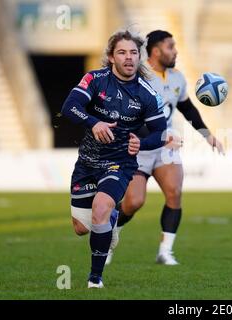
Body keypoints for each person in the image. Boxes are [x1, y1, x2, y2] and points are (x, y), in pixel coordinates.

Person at [106, 30, 224, 266]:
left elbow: (187, 108)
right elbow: (128, 116)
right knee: (134, 202)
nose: (176, 51)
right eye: (171, 46)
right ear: (157, 51)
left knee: (174, 192)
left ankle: (165, 252)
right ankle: (107, 236)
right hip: (137, 146)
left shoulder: (177, 77)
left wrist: (207, 135)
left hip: (165, 148)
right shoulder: (137, 78)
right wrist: (158, 135)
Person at [61, 30, 167, 288]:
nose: (129, 57)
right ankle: (110, 221)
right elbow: (69, 107)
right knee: (81, 228)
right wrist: (94, 122)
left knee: (100, 208)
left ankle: (95, 279)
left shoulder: (146, 94)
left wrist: (141, 142)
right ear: (111, 57)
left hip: (119, 163)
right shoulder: (95, 79)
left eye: (133, 52)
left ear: (139, 57)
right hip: (87, 162)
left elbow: (160, 134)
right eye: (122, 52)